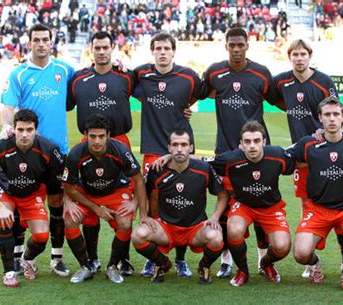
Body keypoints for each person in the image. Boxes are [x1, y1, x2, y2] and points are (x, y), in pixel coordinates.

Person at [273, 39, 343, 278]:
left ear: (309, 56)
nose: (299, 58)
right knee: (306, 204)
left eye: (303, 54)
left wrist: (340, 140)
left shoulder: (323, 81)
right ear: (289, 57)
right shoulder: (282, 81)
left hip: (327, 151)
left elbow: (337, 108)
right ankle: (311, 262)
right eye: (295, 55)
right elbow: (272, 97)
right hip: (303, 155)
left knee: (341, 205)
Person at [200, 27, 280, 278]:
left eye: (240, 45)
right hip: (226, 152)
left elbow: (280, 100)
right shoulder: (215, 72)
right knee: (226, 208)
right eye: (232, 45)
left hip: (257, 152)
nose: (236, 49)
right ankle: (226, 261)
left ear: (247, 46)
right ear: (226, 46)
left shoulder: (261, 73)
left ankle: (262, 262)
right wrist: (184, 110)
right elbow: (197, 93)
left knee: (260, 203)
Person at [0, 23, 75, 277]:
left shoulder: (64, 70)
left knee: (56, 202)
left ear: (52, 42)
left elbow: (87, 84)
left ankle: (57, 259)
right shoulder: (18, 74)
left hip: (58, 152)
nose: (41, 44)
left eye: (46, 39)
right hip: (27, 152)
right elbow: (8, 106)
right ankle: (20, 258)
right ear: (29, 42)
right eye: (37, 39)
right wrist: (5, 127)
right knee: (22, 201)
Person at [132, 32, 207, 278]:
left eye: (166, 48)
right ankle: (155, 257)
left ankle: (181, 259)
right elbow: (125, 84)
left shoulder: (187, 76)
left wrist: (187, 106)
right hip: (153, 149)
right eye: (158, 48)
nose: (162, 52)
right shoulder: (142, 74)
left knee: (183, 203)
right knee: (154, 204)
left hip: (182, 146)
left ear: (174, 51)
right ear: (152, 51)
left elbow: (200, 92)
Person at [287, 96, 343, 290]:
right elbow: (282, 155)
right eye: (327, 114)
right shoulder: (308, 144)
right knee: (301, 254)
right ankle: (316, 264)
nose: (332, 118)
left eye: (336, 114)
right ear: (320, 118)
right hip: (318, 209)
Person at [67, 31, 135, 276]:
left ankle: (122, 260)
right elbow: (63, 104)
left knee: (122, 203)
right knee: (90, 193)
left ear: (113, 48)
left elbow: (155, 93)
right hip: (90, 143)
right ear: (91, 49)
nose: (102, 51)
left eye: (106, 47)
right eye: (98, 47)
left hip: (119, 141)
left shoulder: (126, 77)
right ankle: (93, 259)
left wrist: (184, 110)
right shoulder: (77, 79)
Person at [0, 109, 64, 287]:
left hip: (31, 194)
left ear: (36, 130)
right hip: (4, 190)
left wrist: (68, 202)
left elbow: (60, 182)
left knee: (41, 236)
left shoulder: (49, 149)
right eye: (21, 130)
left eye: (29, 130)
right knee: (5, 218)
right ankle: (9, 272)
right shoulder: (0, 146)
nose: (25, 134)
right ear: (14, 129)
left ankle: (26, 259)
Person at [132, 130, 228, 284]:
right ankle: (162, 263)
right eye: (175, 145)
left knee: (216, 238)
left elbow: (222, 195)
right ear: (169, 148)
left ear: (191, 148)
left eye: (183, 145)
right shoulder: (157, 169)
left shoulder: (203, 169)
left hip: (195, 228)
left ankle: (204, 266)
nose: (179, 149)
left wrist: (215, 217)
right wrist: (146, 217)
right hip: (167, 228)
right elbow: (150, 196)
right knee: (138, 235)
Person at [62, 114, 147, 284]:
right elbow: (69, 187)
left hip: (115, 192)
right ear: (85, 135)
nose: (97, 141)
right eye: (92, 136)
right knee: (70, 220)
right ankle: (86, 266)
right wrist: (92, 207)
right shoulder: (75, 154)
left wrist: (136, 205)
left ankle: (112, 266)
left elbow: (138, 179)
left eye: (101, 136)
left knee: (124, 223)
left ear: (108, 135)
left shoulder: (121, 150)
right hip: (86, 194)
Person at [208, 121, 294, 287]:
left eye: (256, 141)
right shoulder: (230, 159)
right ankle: (243, 270)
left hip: (271, 208)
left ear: (264, 142)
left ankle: (266, 263)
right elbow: (202, 162)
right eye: (247, 142)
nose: (252, 146)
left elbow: (300, 161)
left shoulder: (277, 156)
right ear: (241, 145)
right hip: (244, 206)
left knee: (283, 246)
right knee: (233, 230)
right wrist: (170, 156)